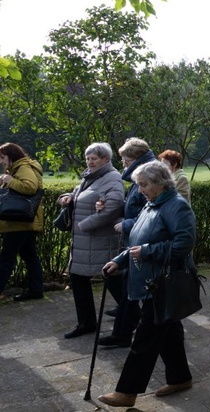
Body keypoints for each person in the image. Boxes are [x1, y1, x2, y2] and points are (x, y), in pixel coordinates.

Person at [98, 161, 197, 408]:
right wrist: (119, 260)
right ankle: (180, 378)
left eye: (143, 184)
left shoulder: (177, 206)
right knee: (169, 330)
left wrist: (148, 251)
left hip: (162, 282)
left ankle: (127, 392)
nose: (140, 190)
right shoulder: (153, 203)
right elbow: (137, 240)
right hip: (150, 279)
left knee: (145, 337)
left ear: (160, 183)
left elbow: (184, 244)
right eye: (139, 185)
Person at [58, 142, 124, 339]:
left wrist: (85, 224)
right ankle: (86, 323)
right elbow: (79, 195)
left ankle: (134, 316)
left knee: (113, 278)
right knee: (78, 278)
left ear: (106, 159)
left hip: (101, 240)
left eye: (94, 158)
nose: (90, 161)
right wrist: (66, 197)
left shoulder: (112, 178)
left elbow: (114, 206)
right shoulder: (90, 176)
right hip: (85, 242)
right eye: (88, 158)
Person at [98, 138, 155, 348]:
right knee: (126, 287)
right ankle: (126, 328)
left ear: (135, 159)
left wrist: (127, 223)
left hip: (141, 243)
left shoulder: (146, 177)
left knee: (130, 288)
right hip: (135, 242)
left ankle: (124, 332)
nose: (123, 163)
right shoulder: (139, 176)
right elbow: (135, 205)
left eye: (125, 159)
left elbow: (150, 211)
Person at [0, 143, 44, 302]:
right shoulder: (19, 168)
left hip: (19, 222)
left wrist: (10, 180)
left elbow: (30, 187)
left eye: (3, 157)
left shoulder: (23, 167)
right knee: (29, 256)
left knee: (6, 257)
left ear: (12, 156)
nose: (1, 161)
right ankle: (36, 289)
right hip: (25, 221)